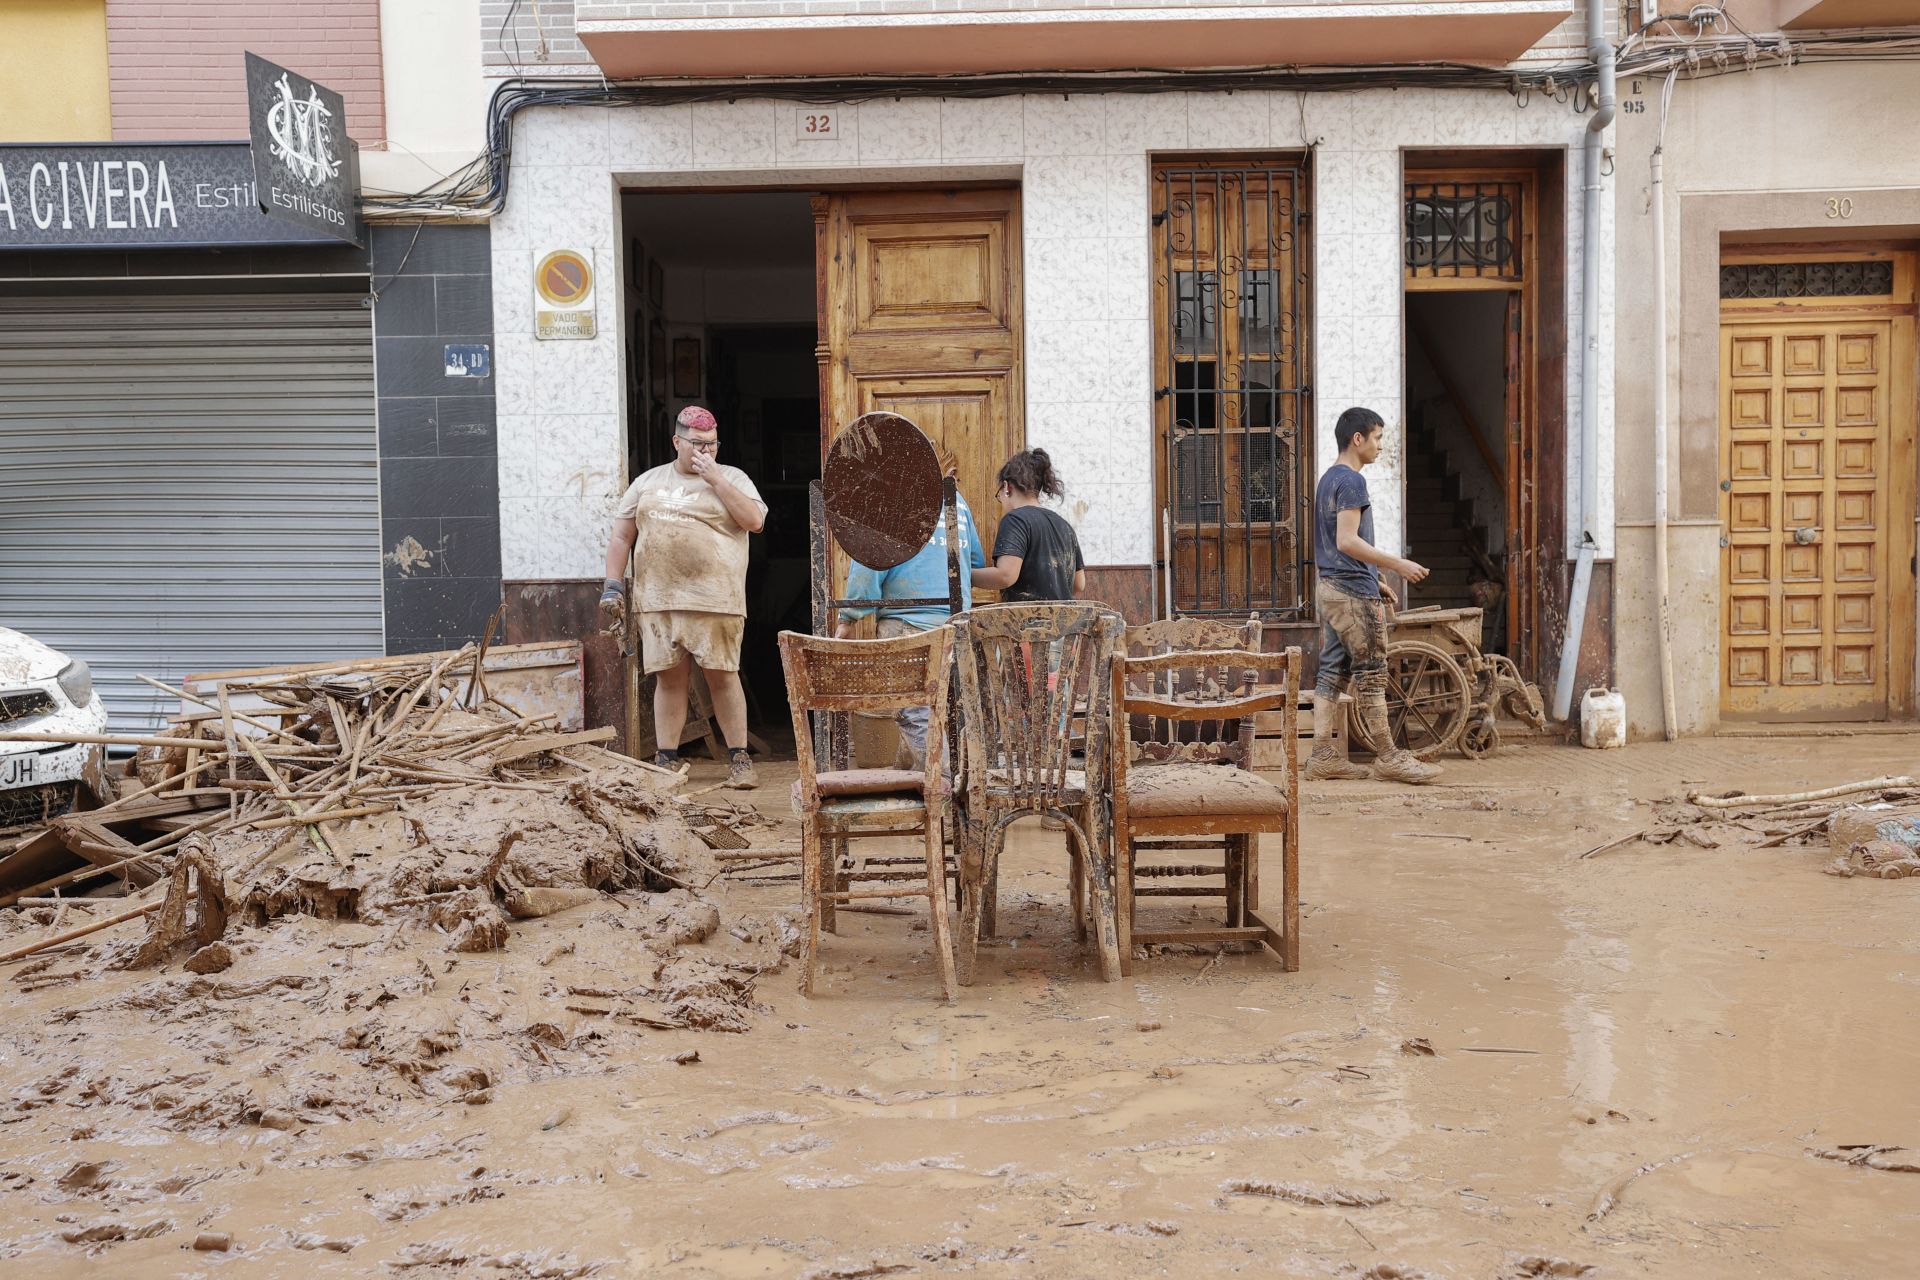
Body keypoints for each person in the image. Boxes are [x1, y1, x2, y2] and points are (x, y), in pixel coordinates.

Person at [600, 406, 767, 789]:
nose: (705, 451)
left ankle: (739, 760)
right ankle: (667, 761)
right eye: (696, 444)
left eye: (711, 445)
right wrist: (613, 583)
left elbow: (755, 522)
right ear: (677, 441)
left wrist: (717, 480)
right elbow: (622, 536)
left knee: (723, 679)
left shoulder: (734, 478)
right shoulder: (647, 482)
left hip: (716, 600)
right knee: (670, 681)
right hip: (658, 601)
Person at [1308, 406, 1442, 786]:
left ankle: (1321, 756)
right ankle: (1388, 756)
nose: (1381, 446)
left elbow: (1336, 545)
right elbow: (1347, 540)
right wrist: (1398, 565)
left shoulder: (1327, 480)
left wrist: (1376, 578)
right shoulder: (1352, 482)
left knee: (1332, 672)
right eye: (1378, 437)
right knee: (1372, 673)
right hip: (1351, 593)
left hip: (1332, 588)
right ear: (1358, 439)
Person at [834, 445, 985, 771]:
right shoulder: (957, 504)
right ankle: (913, 778)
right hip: (956, 625)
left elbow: (869, 565)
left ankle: (943, 787)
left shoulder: (892, 500)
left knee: (915, 710)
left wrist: (847, 617)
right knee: (945, 708)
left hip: (908, 625)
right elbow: (973, 563)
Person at [971, 448, 1084, 602]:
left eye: (999, 495)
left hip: (1027, 622)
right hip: (1064, 621)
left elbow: (1005, 575)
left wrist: (962, 575)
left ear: (1007, 487)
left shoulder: (1015, 519)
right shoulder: (1064, 526)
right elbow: (1079, 585)